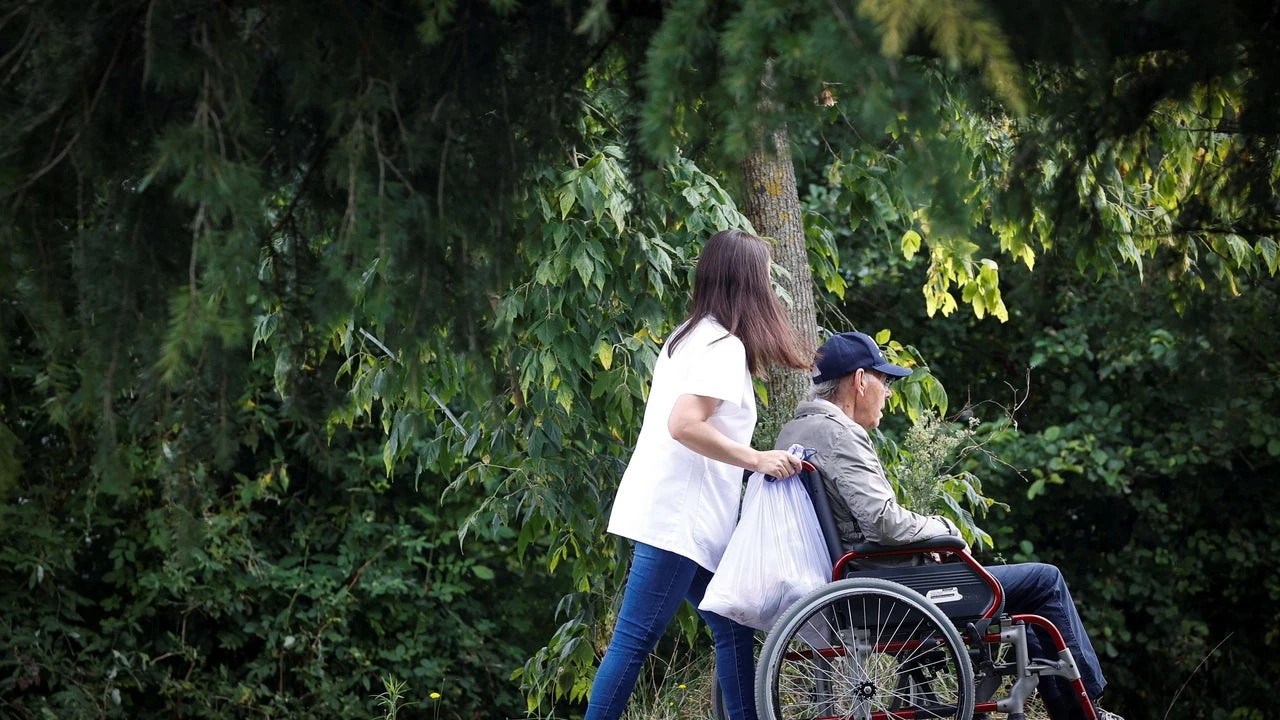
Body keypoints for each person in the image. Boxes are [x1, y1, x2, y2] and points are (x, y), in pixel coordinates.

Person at [774, 330, 1123, 720]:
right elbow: (884, 523)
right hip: (891, 587)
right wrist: (943, 529)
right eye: (884, 382)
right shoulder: (841, 434)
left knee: (1030, 591)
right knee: (1044, 581)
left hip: (857, 580)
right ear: (859, 381)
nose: (887, 394)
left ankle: (1071, 709)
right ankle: (1085, 710)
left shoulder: (794, 432)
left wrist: (924, 539)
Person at [586, 229, 812, 720]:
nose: (770, 290)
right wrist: (757, 459)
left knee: (733, 627)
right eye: (766, 279)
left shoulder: (689, 336)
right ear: (747, 282)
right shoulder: (721, 346)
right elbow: (683, 425)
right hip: (679, 522)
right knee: (635, 640)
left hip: (689, 519)